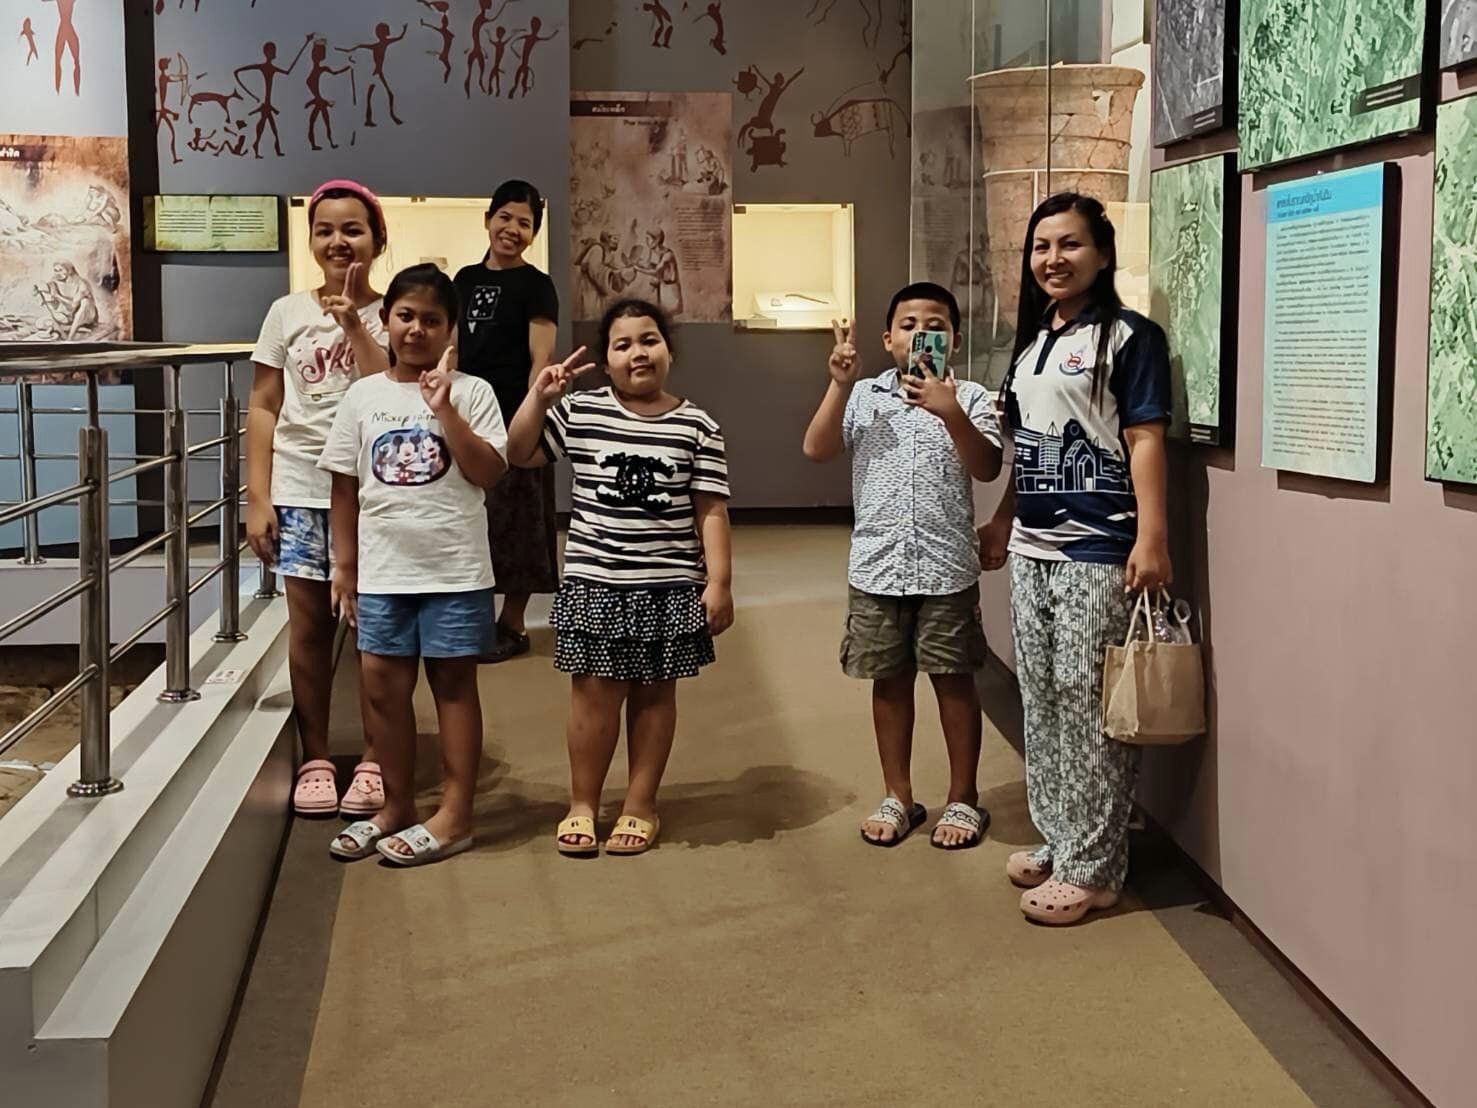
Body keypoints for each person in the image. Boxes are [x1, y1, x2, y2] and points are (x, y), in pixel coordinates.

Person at [977, 192, 1172, 926]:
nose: (1052, 259)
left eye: (1069, 244)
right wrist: (1003, 519)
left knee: (1091, 707)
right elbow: (1030, 449)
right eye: (1040, 246)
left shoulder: (1129, 337)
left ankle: (1093, 868)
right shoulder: (1031, 345)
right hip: (1033, 548)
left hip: (1099, 547)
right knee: (1043, 697)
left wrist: (1151, 537)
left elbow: (1143, 439)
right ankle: (1062, 839)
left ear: (1102, 253)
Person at [504, 299, 733, 857]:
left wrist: (719, 581)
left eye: (649, 340)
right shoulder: (581, 410)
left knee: (654, 696)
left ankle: (640, 803)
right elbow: (519, 450)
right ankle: (582, 802)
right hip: (596, 581)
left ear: (669, 350)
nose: (638, 353)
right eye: (622, 344)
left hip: (667, 585)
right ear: (606, 361)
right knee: (593, 697)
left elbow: (710, 508)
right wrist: (539, 397)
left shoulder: (697, 426)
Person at [320, 265, 512, 866]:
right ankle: (397, 805)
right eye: (405, 315)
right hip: (383, 572)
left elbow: (488, 471)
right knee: (382, 690)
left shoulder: (473, 393)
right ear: (385, 320)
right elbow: (344, 487)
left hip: (454, 570)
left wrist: (445, 409)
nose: (417, 329)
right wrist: (344, 566)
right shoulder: (362, 396)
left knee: (453, 688)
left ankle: (455, 814)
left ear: (450, 329)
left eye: (432, 319)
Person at [802, 283, 1002, 850]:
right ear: (888, 338)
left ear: (955, 341)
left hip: (946, 567)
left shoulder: (971, 396)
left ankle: (963, 797)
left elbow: (987, 467)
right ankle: (898, 793)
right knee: (889, 683)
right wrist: (839, 384)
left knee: (954, 682)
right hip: (878, 566)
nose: (921, 335)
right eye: (908, 325)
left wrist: (950, 411)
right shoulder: (864, 394)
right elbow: (817, 447)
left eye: (935, 326)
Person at [246, 180, 389, 820]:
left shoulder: (394, 312)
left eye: (353, 229)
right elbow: (264, 405)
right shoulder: (285, 313)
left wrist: (354, 322)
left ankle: (378, 757)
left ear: (377, 238)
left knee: (376, 631)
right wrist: (257, 496)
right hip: (301, 490)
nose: (338, 241)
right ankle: (317, 758)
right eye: (325, 230)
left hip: (375, 495)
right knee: (307, 628)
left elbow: (388, 388)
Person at [452, 180, 560, 662]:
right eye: (505, 217)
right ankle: (473, 616)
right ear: (488, 219)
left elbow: (541, 359)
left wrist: (530, 417)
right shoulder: (463, 280)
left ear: (533, 233)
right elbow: (452, 348)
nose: (512, 229)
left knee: (522, 522)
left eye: (525, 223)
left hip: (516, 418)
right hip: (468, 416)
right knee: (472, 516)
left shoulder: (537, 285)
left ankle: (513, 623)